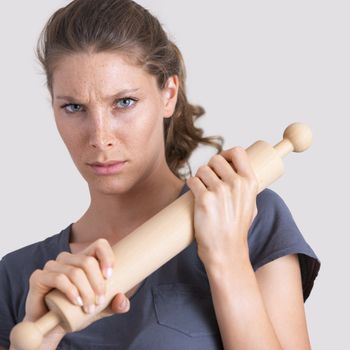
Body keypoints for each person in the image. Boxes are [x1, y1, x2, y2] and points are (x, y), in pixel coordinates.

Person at [0, 0, 321, 349]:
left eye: (124, 102)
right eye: (74, 107)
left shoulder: (250, 216)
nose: (99, 137)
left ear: (168, 94)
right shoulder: (20, 277)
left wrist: (228, 259)